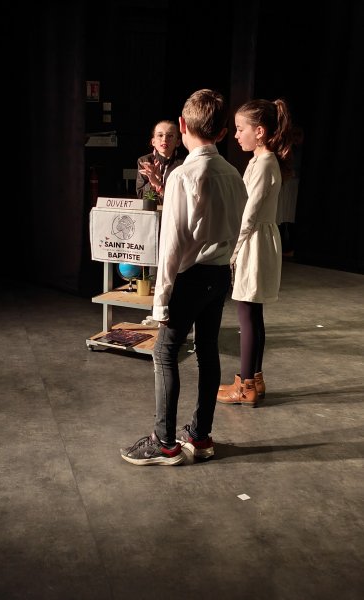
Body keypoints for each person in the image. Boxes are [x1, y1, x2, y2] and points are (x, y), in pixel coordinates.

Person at [120, 89, 248, 466]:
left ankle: (164, 442)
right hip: (219, 275)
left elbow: (171, 247)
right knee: (207, 350)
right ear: (222, 132)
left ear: (181, 125)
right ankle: (201, 437)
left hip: (190, 278)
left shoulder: (183, 175)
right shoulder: (233, 174)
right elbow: (239, 230)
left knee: (165, 353)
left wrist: (160, 303)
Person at [217, 98, 293, 408]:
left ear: (259, 131)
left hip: (254, 242)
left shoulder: (263, 164)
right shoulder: (260, 161)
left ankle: (245, 385)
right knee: (252, 313)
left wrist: (232, 250)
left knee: (247, 314)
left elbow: (248, 215)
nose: (236, 135)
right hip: (258, 239)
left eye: (240, 129)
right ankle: (254, 379)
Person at [136, 120, 184, 203]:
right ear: (153, 142)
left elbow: (182, 198)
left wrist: (158, 183)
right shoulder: (144, 161)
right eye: (160, 135)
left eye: (170, 136)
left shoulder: (184, 163)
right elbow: (141, 196)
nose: (164, 139)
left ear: (178, 142)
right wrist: (152, 183)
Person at [277, 124, 304, 257]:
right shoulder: (288, 150)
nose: (296, 139)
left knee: (291, 216)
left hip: (295, 184)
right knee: (282, 216)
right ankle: (282, 247)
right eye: (294, 136)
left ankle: (291, 248)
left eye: (299, 136)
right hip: (286, 184)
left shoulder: (300, 152)